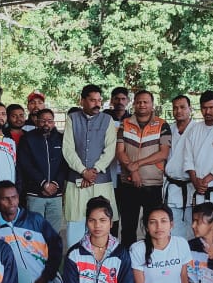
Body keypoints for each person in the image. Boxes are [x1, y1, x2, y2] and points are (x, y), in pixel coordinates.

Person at [63, 85, 118, 246]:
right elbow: (67, 149)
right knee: (76, 225)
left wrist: (93, 171)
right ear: (82, 101)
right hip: (77, 182)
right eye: (92, 100)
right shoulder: (72, 118)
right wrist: (82, 171)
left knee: (101, 224)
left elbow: (110, 149)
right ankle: (75, 264)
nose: (97, 104)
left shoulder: (107, 120)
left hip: (100, 182)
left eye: (99, 100)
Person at [115, 90, 171, 247]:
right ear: (134, 104)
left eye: (146, 102)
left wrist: (137, 164)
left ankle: (150, 259)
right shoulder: (124, 124)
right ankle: (127, 261)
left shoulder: (162, 125)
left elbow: (164, 153)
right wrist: (133, 171)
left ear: (152, 105)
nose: (142, 105)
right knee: (127, 227)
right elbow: (119, 151)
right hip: (128, 183)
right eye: (139, 102)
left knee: (152, 226)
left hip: (153, 184)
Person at [17, 108, 66, 234]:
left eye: (50, 121)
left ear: (54, 123)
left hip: (56, 194)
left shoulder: (61, 138)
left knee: (54, 232)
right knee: (34, 231)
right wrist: (43, 183)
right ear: (37, 122)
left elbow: (65, 164)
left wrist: (55, 184)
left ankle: (52, 254)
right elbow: (25, 164)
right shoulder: (27, 139)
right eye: (43, 121)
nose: (46, 124)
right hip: (35, 193)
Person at [164, 95, 195, 240]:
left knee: (192, 229)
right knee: (173, 229)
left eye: (182, 107)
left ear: (190, 109)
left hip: (191, 186)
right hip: (172, 187)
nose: (178, 111)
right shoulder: (168, 130)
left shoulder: (197, 130)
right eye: (175, 108)